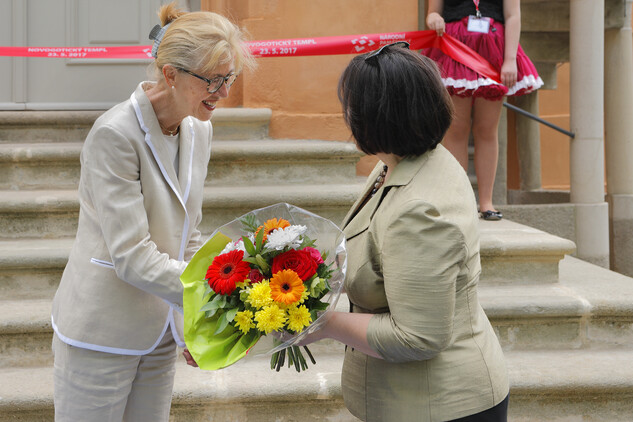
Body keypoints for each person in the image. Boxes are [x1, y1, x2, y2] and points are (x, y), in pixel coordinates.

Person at [50, 2, 254, 420]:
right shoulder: (114, 134)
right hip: (100, 334)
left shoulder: (199, 127)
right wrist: (217, 299)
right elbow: (132, 256)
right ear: (170, 74)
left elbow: (187, 235)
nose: (224, 92)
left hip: (159, 331)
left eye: (228, 77)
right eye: (213, 80)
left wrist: (192, 328)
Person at [299, 43, 509, 421]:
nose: (346, 115)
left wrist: (322, 323)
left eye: (352, 107)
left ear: (376, 117)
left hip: (440, 405)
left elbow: (417, 336)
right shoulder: (402, 161)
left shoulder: (417, 210)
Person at [426, 0, 543, 220]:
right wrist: (434, 20)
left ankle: (486, 202)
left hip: (493, 53)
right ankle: (459, 199)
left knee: (487, 129)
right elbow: (432, 13)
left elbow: (512, 16)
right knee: (456, 128)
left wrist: (510, 60)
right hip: (455, 50)